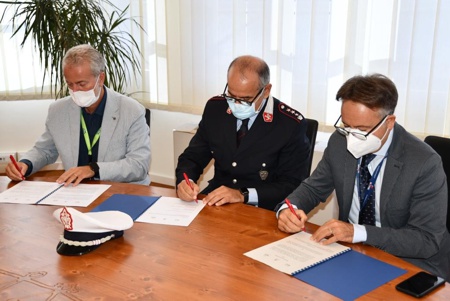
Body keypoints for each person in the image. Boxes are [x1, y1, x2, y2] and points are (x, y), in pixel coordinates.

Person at [277, 74, 450, 281]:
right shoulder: (339, 142)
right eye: (346, 126)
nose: (351, 137)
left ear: (389, 122)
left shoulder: (423, 162)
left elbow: (426, 240)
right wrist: (289, 209)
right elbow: (314, 188)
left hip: (408, 262)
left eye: (362, 130)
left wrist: (357, 232)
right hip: (349, 254)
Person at [176, 55, 310, 210]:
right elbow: (193, 156)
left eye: (246, 99)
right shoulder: (215, 109)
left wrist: (243, 195)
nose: (237, 104)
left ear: (266, 91)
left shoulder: (289, 124)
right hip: (217, 200)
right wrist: (186, 181)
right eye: (231, 96)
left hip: (263, 209)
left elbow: (291, 185)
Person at [5, 44, 151, 185]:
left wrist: (93, 169)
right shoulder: (58, 110)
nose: (75, 91)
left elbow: (138, 164)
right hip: (76, 190)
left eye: (82, 84)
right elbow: (45, 150)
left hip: (122, 191)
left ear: (100, 78)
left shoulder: (131, 110)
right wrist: (25, 163)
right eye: (70, 85)